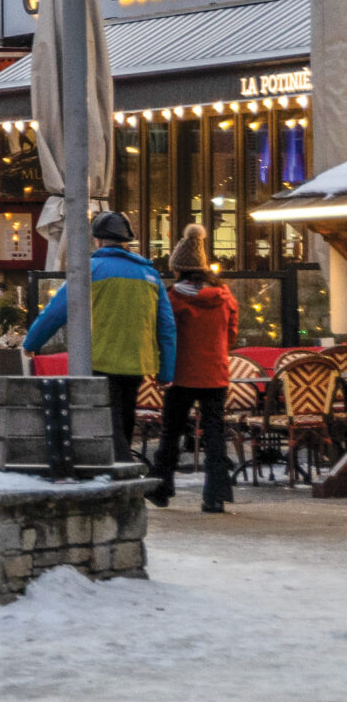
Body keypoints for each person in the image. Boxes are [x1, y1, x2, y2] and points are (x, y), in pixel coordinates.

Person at [22, 209, 175, 461]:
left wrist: (32, 342)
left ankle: (122, 472)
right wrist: (166, 371)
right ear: (126, 241)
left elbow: (57, 311)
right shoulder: (150, 274)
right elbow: (166, 326)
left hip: (101, 360)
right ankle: (120, 473)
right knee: (124, 419)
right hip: (138, 362)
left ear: (97, 240)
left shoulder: (90, 270)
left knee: (108, 421)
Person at [149, 222, 236, 513]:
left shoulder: (173, 299)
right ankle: (216, 494)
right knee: (214, 433)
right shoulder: (225, 297)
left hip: (181, 376)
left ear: (179, 268)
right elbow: (232, 334)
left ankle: (161, 488)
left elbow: (164, 333)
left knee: (171, 432)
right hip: (215, 374)